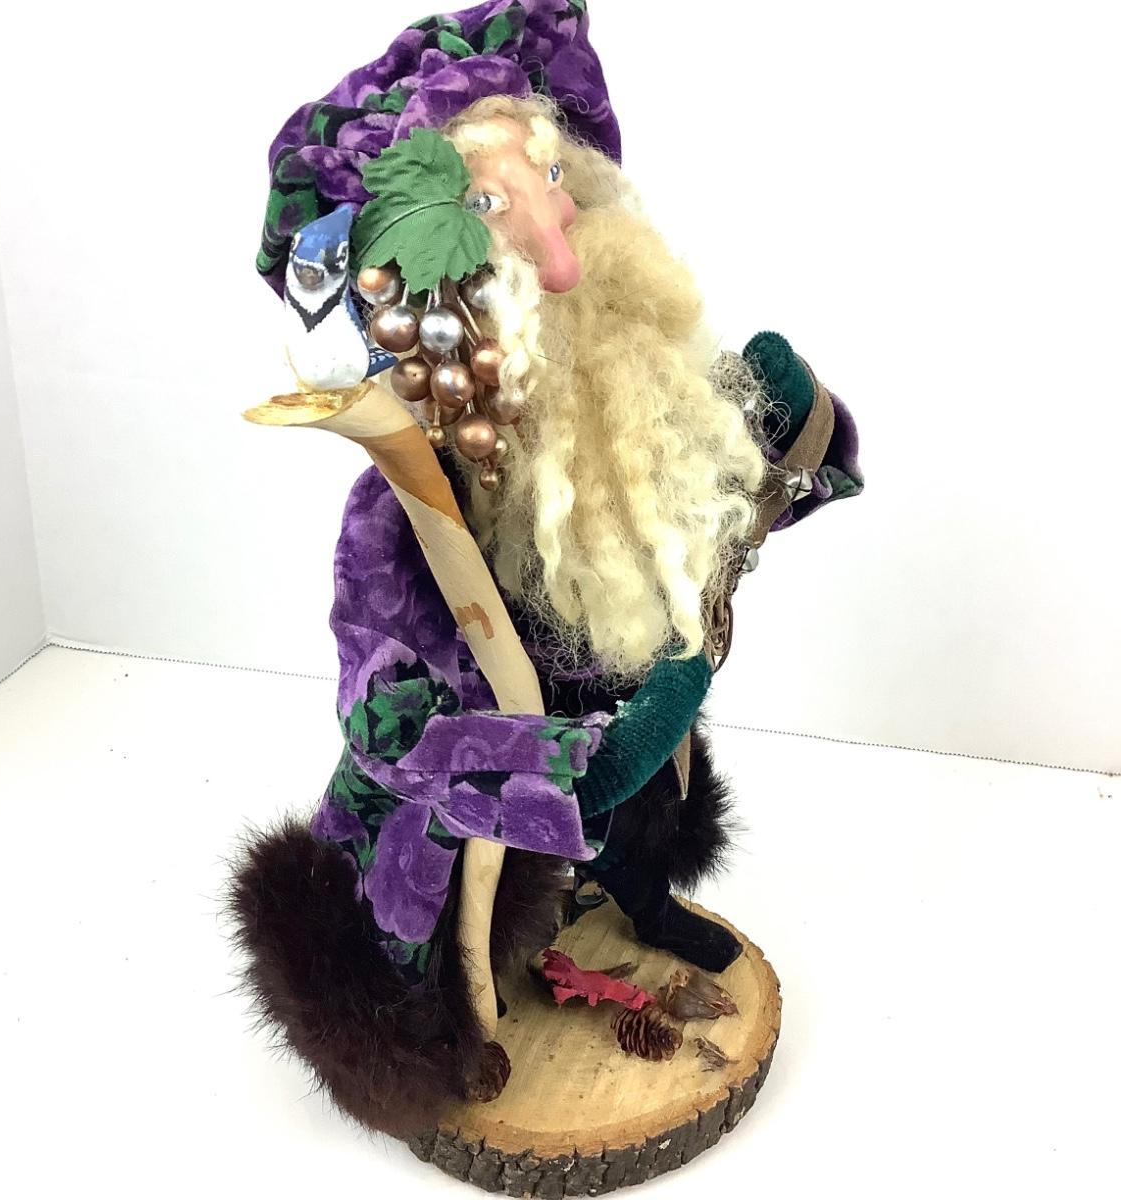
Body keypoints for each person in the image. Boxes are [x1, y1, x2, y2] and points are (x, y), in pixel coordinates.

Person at [229, 0, 862, 1138]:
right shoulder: (409, 508)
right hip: (503, 767)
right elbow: (391, 720)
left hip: (623, 675)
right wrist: (581, 762)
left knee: (658, 793)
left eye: (555, 180)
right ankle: (458, 1024)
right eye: (493, 208)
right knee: (462, 888)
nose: (560, 255)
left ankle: (639, 899)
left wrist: (773, 433)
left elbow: (710, 492)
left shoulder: (617, 381)